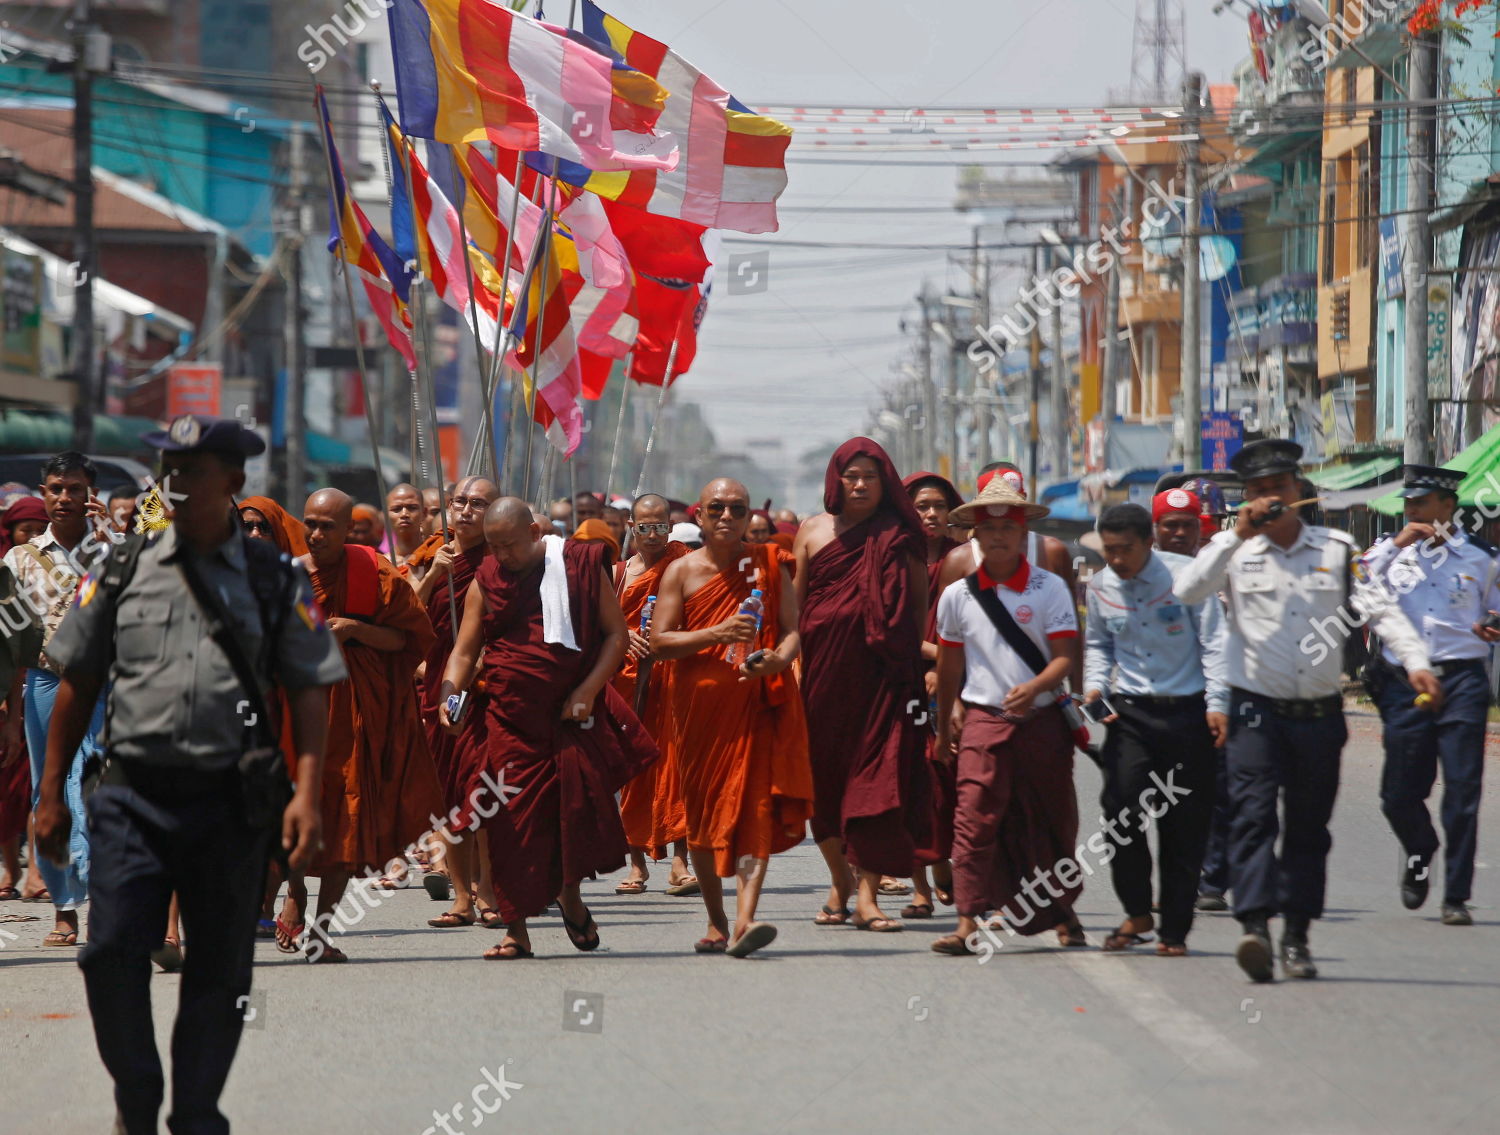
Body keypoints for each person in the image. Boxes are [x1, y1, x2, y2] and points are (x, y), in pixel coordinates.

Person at [37, 414, 343, 1134]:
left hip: (230, 800)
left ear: (233, 484)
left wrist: (305, 791)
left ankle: (198, 1109)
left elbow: (309, 686)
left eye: (191, 473)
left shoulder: (275, 579)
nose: (172, 486)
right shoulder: (120, 567)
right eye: (166, 472)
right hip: (132, 793)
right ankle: (136, 1090)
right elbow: (77, 677)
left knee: (220, 967)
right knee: (110, 950)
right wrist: (51, 792)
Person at [1175, 439, 1442, 982]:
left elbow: (1379, 607)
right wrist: (1233, 535)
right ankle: (1254, 926)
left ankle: (1296, 934)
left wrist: (1415, 660)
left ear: (1298, 491)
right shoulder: (1236, 550)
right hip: (1255, 710)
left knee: (1307, 827)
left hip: (1318, 714)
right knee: (1251, 818)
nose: (1268, 500)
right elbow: (1187, 590)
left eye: (1277, 488)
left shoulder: (1337, 548)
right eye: (1256, 492)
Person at [438, 499, 656, 959]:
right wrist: (450, 697)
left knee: (568, 818)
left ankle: (570, 898)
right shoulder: (487, 579)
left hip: (567, 718)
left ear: (535, 534)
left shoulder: (577, 565)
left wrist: (587, 690)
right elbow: (463, 650)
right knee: (503, 822)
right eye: (494, 547)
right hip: (508, 720)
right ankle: (515, 931)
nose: (503, 556)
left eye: (510, 545)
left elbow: (616, 634)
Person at [651, 478, 814, 956]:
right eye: (716, 508)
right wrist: (716, 632)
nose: (726, 516)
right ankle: (717, 920)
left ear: (748, 518)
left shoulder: (767, 565)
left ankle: (745, 918)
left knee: (753, 809)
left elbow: (791, 630)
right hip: (698, 711)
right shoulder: (681, 572)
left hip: (754, 704)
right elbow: (660, 642)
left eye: (737, 509)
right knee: (702, 816)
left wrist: (780, 661)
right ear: (699, 516)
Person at [930, 477, 1086, 955]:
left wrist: (1039, 687)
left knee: (1053, 820)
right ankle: (965, 920)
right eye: (988, 528)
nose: (998, 536)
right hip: (983, 720)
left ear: (1023, 534)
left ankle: (1062, 911)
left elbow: (1065, 655)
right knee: (973, 821)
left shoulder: (1050, 588)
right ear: (974, 535)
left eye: (1008, 527)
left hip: (1042, 723)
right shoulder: (956, 595)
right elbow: (949, 665)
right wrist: (942, 729)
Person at [286, 488, 441, 963]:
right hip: (297, 704)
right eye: (309, 523)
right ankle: (293, 894)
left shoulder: (373, 571)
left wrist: (355, 629)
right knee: (293, 804)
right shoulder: (286, 576)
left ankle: (323, 929)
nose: (316, 534)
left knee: (348, 809)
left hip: (355, 709)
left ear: (348, 527)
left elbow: (409, 639)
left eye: (327, 526)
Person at [795, 439, 929, 932]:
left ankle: (869, 898)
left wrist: (907, 664)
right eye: (851, 475)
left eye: (870, 476)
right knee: (823, 789)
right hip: (822, 682)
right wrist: (789, 666)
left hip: (883, 683)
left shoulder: (899, 534)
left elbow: (918, 609)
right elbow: (796, 609)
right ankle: (839, 882)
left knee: (873, 789)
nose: (860, 484)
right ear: (836, 479)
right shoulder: (811, 532)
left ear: (884, 481)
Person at [1084, 503, 1227, 956]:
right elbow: (1098, 644)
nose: (1117, 560)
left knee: (1184, 825)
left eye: (1125, 550)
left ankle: (1175, 930)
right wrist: (1093, 686)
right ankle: (1138, 910)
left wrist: (1218, 704)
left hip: (1188, 712)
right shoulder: (1101, 584)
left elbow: (1215, 643)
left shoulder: (1187, 578)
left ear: (1149, 542)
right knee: (1120, 811)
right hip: (1130, 714)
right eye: (1108, 551)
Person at [1361, 464, 1500, 927]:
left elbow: (1497, 611)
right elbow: (1357, 591)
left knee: (1462, 790)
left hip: (1462, 680)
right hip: (1404, 681)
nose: (1413, 511)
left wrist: (1494, 624)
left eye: (1421, 503)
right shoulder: (1390, 552)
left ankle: (1456, 896)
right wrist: (1394, 548)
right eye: (1409, 504)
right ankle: (1421, 850)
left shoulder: (1483, 557)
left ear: (1448, 506)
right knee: (1399, 794)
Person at [2, 453, 114, 947]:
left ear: (91, 493)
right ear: (43, 493)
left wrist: (108, 547)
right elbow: (6, 641)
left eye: (73, 489)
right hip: (45, 685)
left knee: (95, 784)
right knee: (47, 792)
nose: (63, 498)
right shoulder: (19, 559)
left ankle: (106, 900)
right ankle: (65, 910)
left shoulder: (118, 550)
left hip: (108, 684)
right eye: (54, 489)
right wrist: (7, 708)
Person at [413, 476, 502, 929]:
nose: (466, 511)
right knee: (448, 792)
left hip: (488, 689)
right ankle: (461, 896)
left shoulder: (503, 560)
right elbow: (405, 614)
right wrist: (433, 575)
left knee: (479, 790)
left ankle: (488, 889)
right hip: (439, 687)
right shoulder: (434, 555)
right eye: (460, 502)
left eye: (479, 503)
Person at [611, 493, 697, 897]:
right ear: (632, 527)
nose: (653, 534)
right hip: (628, 681)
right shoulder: (618, 574)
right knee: (633, 769)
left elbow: (701, 617)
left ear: (670, 527)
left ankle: (681, 862)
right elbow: (601, 622)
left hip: (672, 676)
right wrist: (625, 634)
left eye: (661, 526)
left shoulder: (684, 565)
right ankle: (636, 864)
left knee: (674, 769)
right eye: (644, 526)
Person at [935, 462, 1081, 687]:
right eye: (990, 525)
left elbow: (1072, 636)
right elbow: (947, 640)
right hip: (978, 695)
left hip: (1044, 695)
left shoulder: (1052, 552)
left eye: (1009, 521)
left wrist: (1078, 693)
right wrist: (952, 702)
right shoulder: (958, 561)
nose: (999, 534)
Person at [903, 471, 965, 917]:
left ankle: (948, 864)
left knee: (955, 781)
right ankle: (920, 887)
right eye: (921, 505)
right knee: (910, 784)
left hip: (958, 682)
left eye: (938, 506)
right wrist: (931, 658)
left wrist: (946, 670)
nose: (930, 514)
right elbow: (885, 625)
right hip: (901, 679)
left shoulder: (964, 560)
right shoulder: (891, 559)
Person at [386, 483, 430, 570]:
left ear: (424, 513)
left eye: (412, 508)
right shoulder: (382, 563)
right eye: (396, 509)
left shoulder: (434, 557)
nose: (404, 514)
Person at [1153, 487, 1203, 557]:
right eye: (1171, 525)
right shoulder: (1139, 566)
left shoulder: (1213, 566)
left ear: (1198, 529)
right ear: (1155, 529)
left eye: (1188, 525)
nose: (1181, 533)